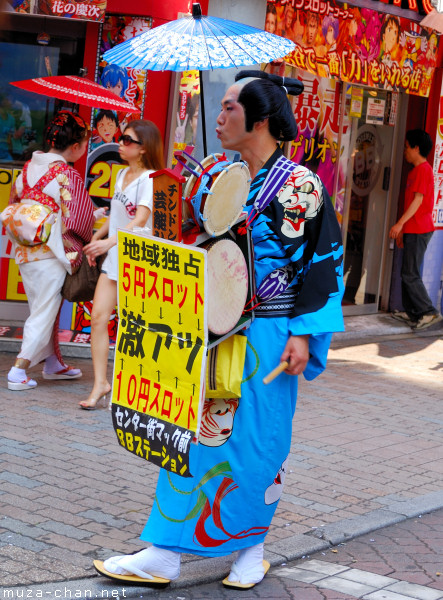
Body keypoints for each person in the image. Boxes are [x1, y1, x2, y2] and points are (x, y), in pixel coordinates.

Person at [93, 71, 344, 588]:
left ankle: (251, 549)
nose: (221, 115)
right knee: (191, 435)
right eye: (222, 105)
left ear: (262, 120)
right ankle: (163, 551)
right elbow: (176, 237)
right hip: (206, 333)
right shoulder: (215, 175)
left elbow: (322, 263)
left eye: (231, 107)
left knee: (258, 441)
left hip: (270, 334)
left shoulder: (302, 186)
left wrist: (304, 333)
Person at [6, 111, 95, 391]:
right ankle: (19, 370)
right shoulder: (66, 173)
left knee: (42, 306)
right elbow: (79, 217)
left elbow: (15, 201)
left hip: (25, 252)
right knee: (44, 311)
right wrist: (85, 239)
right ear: (76, 147)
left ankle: (53, 363)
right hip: (51, 253)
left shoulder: (27, 169)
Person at [79, 120, 165, 410]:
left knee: (136, 327)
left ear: (143, 149)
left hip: (139, 262)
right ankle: (100, 384)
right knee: (98, 318)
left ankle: (138, 388)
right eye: (122, 137)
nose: (120, 142)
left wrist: (106, 243)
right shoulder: (123, 175)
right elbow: (117, 218)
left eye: (127, 139)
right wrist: (97, 237)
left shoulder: (151, 179)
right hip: (115, 258)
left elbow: (139, 221)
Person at [389, 129, 442, 330]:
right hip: (413, 228)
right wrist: (403, 228)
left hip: (420, 228)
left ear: (416, 148)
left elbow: (418, 201)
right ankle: (412, 312)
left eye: (407, 146)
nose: (405, 151)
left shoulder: (423, 170)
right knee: (407, 272)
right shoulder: (415, 171)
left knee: (410, 273)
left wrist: (400, 224)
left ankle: (429, 312)